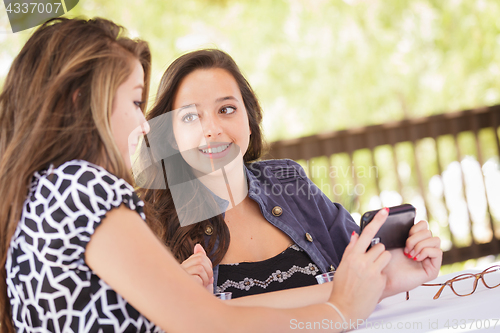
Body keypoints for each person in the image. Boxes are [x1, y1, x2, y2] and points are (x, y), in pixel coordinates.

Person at [0, 17, 406, 333]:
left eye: (227, 109)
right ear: (82, 101)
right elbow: (211, 324)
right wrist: (340, 312)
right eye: (135, 101)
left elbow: (209, 315)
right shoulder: (85, 190)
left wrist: (377, 283)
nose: (144, 126)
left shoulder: (48, 192)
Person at [136, 49, 442, 299]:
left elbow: (363, 277)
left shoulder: (287, 181)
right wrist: (184, 304)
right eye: (190, 116)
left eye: (226, 109)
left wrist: (404, 264)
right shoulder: (151, 222)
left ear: (249, 115)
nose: (212, 129)